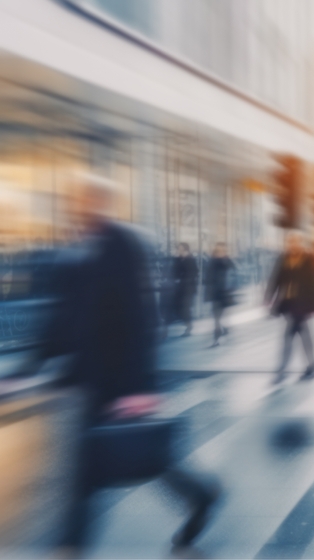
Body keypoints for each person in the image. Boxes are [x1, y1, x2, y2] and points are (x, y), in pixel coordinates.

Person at [17, 173, 219, 554]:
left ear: (102, 203)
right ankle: (198, 495)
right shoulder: (77, 247)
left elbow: (140, 317)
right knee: (102, 463)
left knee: (108, 463)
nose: (78, 206)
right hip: (86, 377)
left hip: (117, 378)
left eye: (86, 199)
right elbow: (62, 319)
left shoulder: (122, 244)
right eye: (76, 199)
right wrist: (27, 368)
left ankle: (73, 545)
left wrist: (139, 387)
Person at [265, 230, 314, 383]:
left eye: (296, 241)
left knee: (290, 335)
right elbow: (275, 278)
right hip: (288, 303)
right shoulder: (283, 258)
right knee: (303, 335)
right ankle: (311, 366)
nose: (292, 244)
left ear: (301, 243)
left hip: (303, 303)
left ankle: (283, 370)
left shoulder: (309, 259)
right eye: (290, 241)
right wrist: (268, 297)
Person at [204, 242, 235, 347]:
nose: (221, 252)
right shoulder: (212, 261)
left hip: (224, 294)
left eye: (223, 250)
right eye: (219, 250)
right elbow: (208, 278)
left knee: (218, 317)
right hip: (215, 294)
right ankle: (217, 337)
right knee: (216, 318)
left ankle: (219, 334)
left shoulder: (227, 261)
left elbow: (233, 274)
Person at [171, 242, 199, 336]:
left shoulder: (190, 259)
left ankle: (188, 326)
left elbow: (193, 274)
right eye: (178, 249)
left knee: (185, 308)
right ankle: (187, 324)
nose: (178, 251)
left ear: (185, 250)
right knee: (179, 308)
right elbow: (174, 271)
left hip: (188, 289)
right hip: (180, 289)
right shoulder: (178, 259)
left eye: (180, 249)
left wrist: (181, 280)